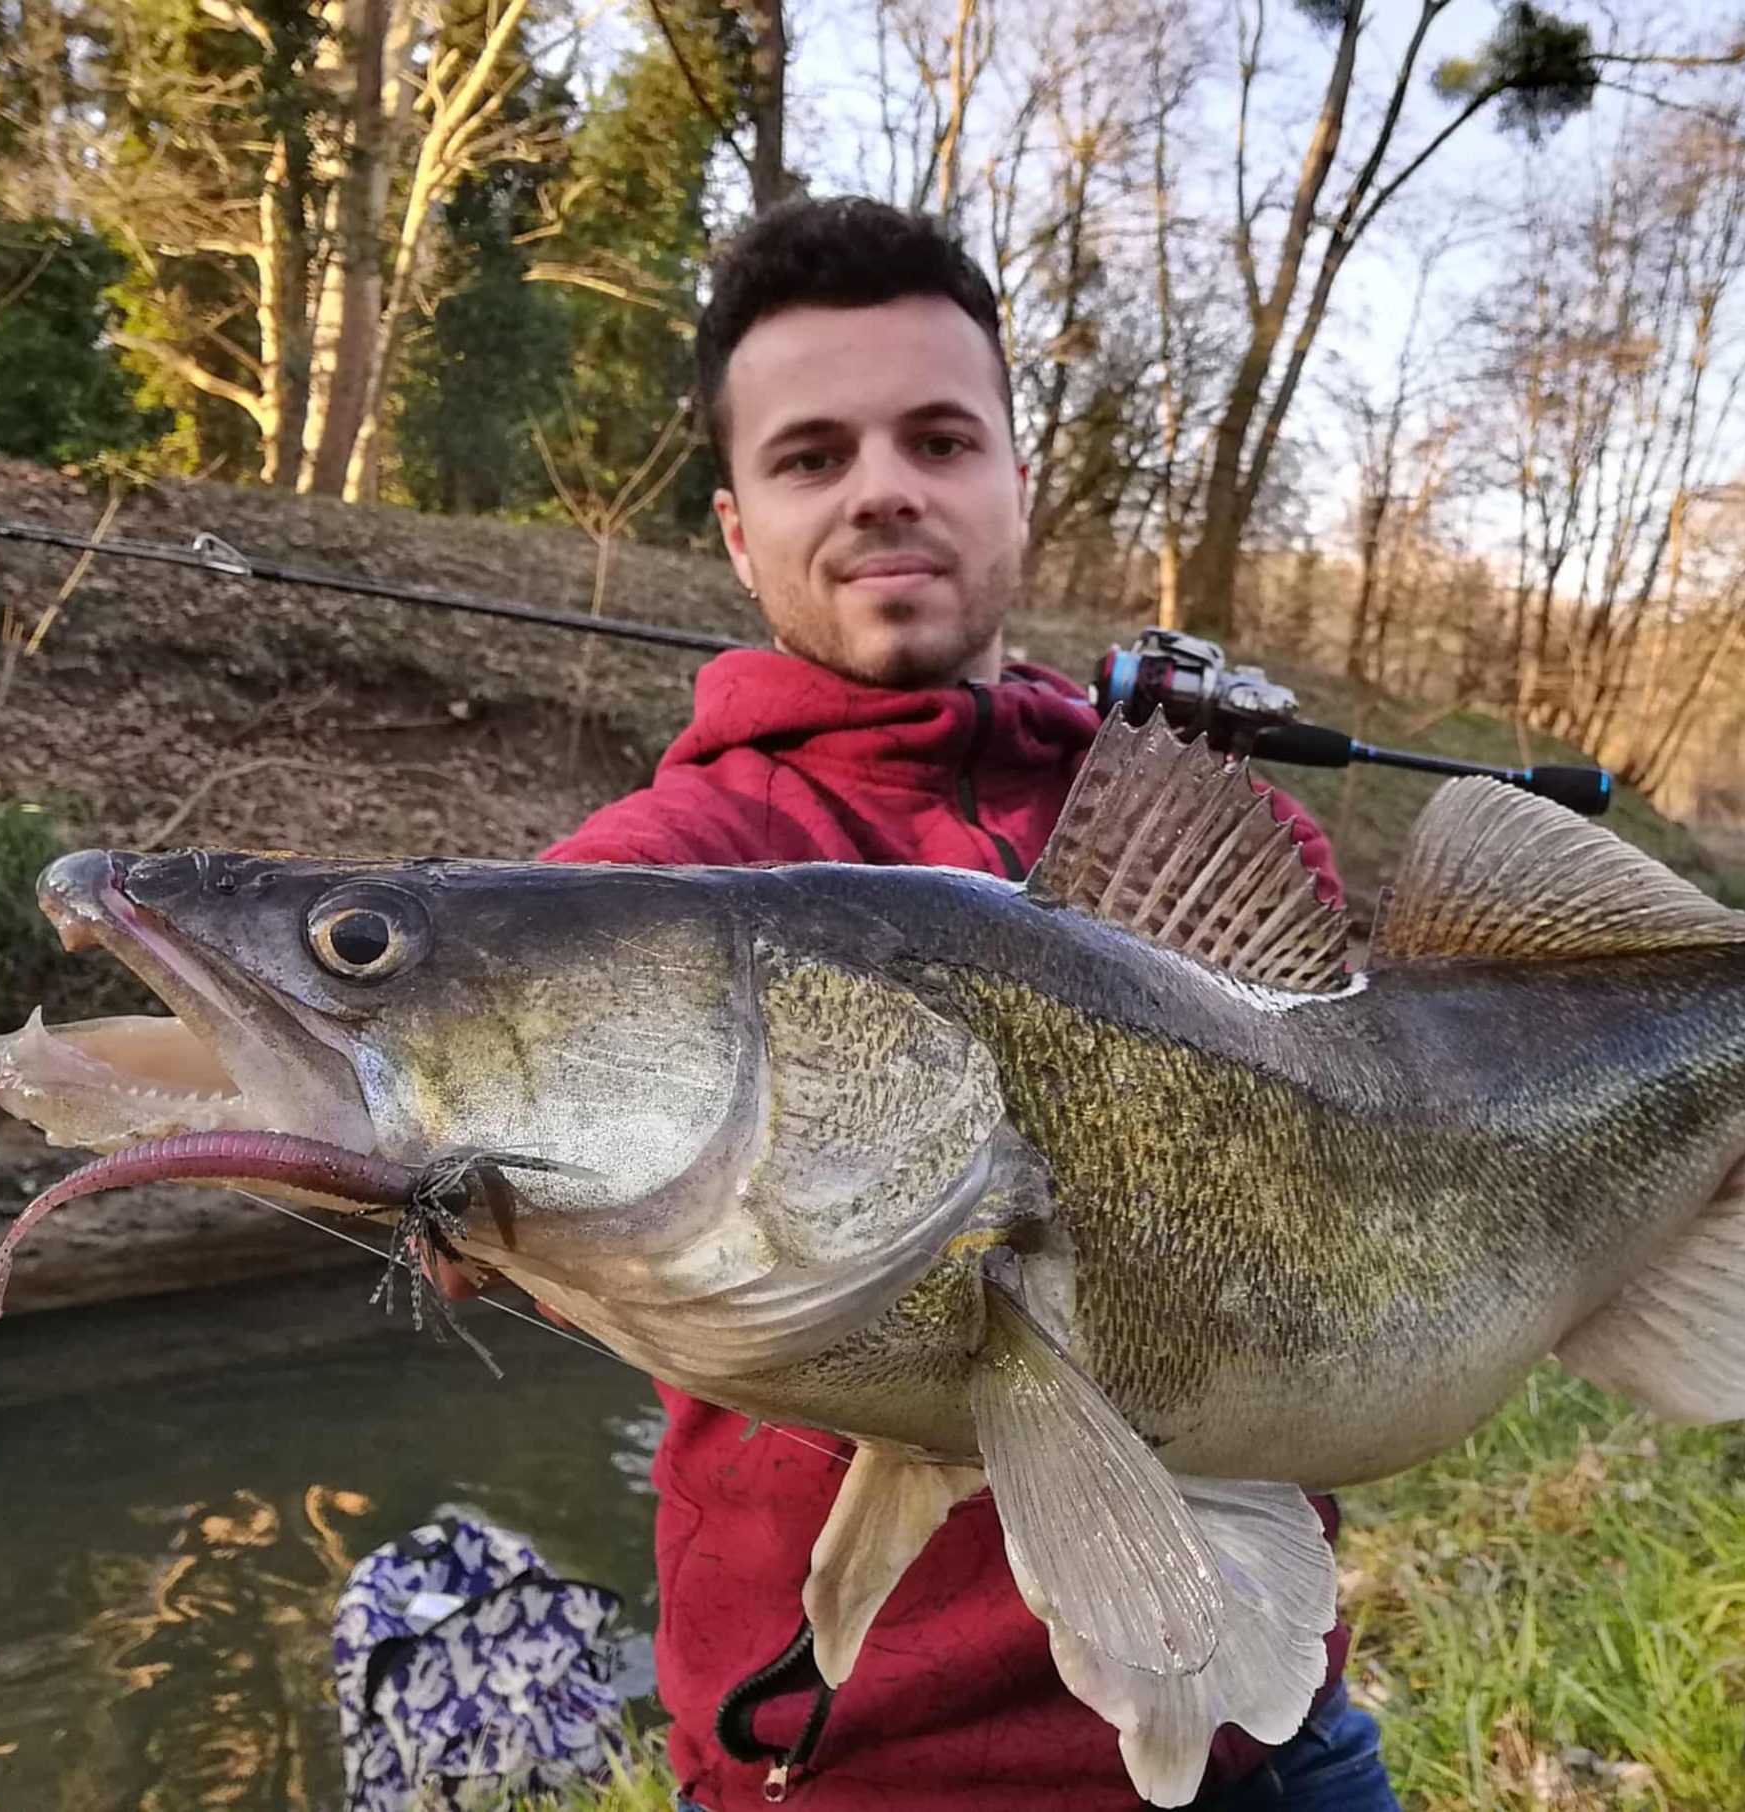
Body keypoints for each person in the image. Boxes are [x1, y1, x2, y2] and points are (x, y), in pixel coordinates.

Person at [452, 197, 1398, 1812]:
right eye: (812, 455)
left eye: (940, 439)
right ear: (741, 530)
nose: (883, 486)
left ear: (1017, 483)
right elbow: (476, 1089)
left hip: (1267, 1734)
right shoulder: (660, 875)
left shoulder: (1210, 829)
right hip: (848, 1775)